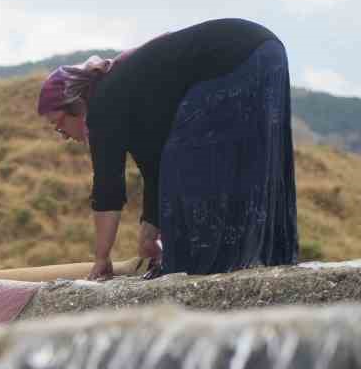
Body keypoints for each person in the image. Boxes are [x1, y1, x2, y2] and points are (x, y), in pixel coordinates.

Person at [37, 17, 298, 279]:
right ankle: (250, 262)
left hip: (234, 57)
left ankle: (201, 271)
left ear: (76, 104)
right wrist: (149, 235)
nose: (63, 136)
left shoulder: (103, 105)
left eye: (59, 125)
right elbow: (156, 169)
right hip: (265, 51)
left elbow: (108, 188)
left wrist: (102, 259)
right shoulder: (128, 97)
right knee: (232, 165)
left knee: (191, 171)